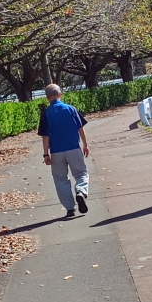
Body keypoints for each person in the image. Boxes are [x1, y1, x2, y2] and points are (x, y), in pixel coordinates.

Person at [38, 84, 90, 218]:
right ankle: (81, 192)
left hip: (56, 152)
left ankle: (70, 208)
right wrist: (85, 144)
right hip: (73, 148)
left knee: (60, 179)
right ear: (60, 94)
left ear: (47, 97)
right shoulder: (70, 109)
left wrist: (46, 154)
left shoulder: (46, 114)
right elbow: (80, 128)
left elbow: (45, 136)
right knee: (81, 174)